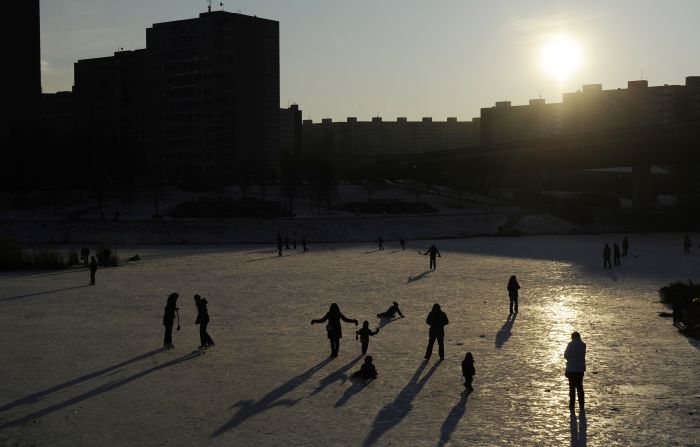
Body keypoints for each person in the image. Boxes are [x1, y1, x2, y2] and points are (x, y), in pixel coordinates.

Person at [564, 331, 587, 410]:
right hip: (580, 370)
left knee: (572, 388)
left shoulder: (570, 345)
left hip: (571, 370)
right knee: (580, 387)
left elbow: (566, 355)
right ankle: (581, 404)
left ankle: (572, 404)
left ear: (572, 337)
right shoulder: (583, 345)